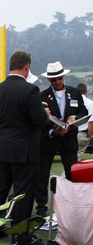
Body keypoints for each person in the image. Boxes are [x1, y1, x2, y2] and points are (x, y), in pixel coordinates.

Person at [0, 50, 48, 226]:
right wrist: (45, 113)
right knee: (23, 193)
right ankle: (19, 230)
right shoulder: (30, 90)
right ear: (27, 67)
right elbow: (39, 120)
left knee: (0, 190)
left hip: (3, 147)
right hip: (25, 151)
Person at [34, 61, 88, 216]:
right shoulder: (42, 95)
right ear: (48, 80)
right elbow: (40, 120)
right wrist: (53, 130)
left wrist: (73, 119)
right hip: (49, 139)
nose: (57, 82)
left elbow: (82, 112)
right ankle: (41, 207)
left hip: (69, 139)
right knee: (42, 174)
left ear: (64, 77)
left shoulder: (75, 93)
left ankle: (74, 204)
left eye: (59, 78)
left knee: (72, 173)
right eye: (53, 80)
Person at [75, 83, 93, 161]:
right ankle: (66, 173)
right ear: (86, 92)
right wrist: (90, 135)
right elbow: (91, 121)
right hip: (82, 133)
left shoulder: (73, 101)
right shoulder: (90, 103)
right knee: (77, 157)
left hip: (71, 132)